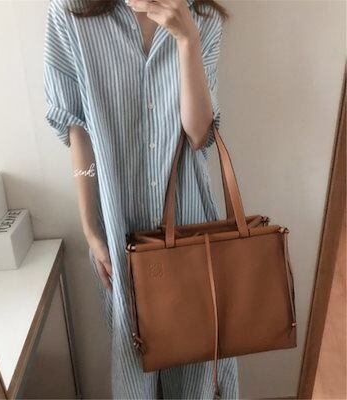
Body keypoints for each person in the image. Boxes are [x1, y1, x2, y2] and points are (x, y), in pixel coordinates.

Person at [43, 0, 239, 398]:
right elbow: (78, 132)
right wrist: (91, 230)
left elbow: (199, 135)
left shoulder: (202, 19)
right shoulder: (70, 13)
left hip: (190, 223)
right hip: (119, 230)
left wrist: (187, 40)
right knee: (135, 364)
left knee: (201, 366)